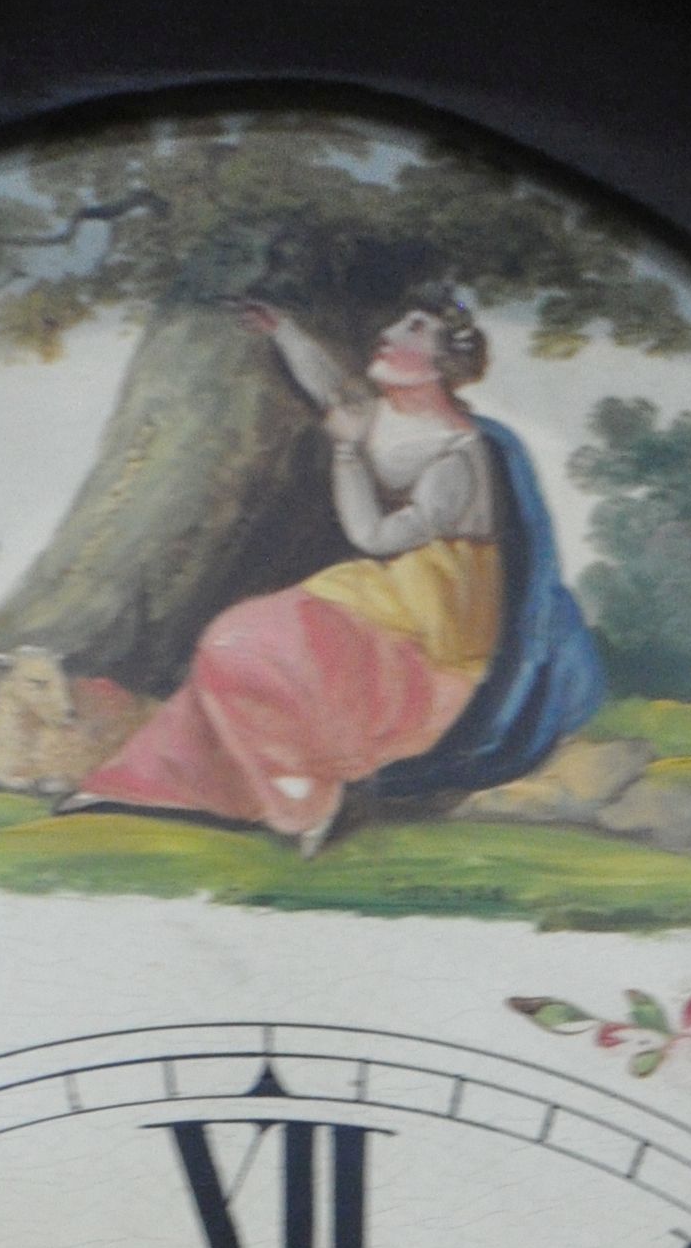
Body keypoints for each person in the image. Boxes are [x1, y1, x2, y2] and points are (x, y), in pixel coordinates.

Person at [78, 293, 604, 851]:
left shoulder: (459, 455)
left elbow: (374, 537)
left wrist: (349, 455)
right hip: (389, 596)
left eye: (415, 327)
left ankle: (306, 800)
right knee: (237, 642)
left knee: (245, 648)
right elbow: (330, 389)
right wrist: (284, 331)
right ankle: (157, 783)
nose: (391, 331)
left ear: (440, 363)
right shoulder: (389, 413)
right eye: (400, 317)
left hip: (435, 633)